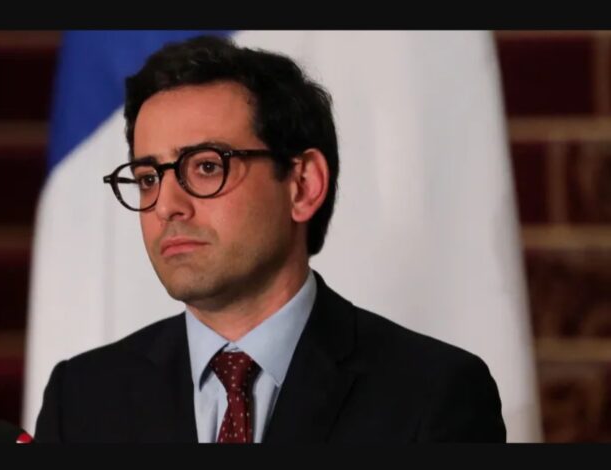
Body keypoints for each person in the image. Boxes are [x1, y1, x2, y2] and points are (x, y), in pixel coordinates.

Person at [34, 35, 506, 443]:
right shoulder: (82, 399)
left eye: (206, 167)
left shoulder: (432, 394)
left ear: (302, 185)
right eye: (148, 178)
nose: (166, 206)